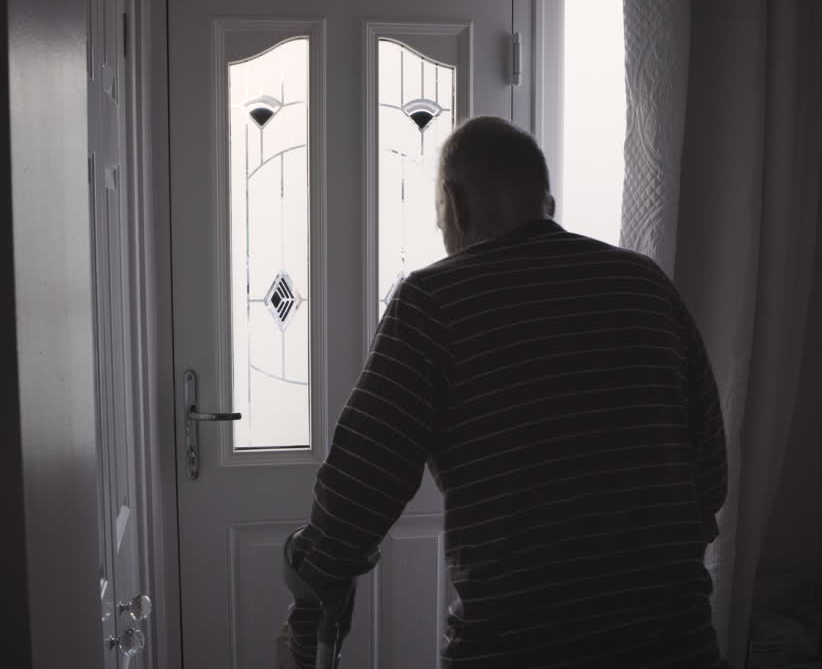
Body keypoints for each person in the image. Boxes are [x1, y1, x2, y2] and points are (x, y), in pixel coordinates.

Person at [282, 116, 727, 668]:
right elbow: (709, 476)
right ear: (550, 204)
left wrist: (307, 633)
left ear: (454, 204)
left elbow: (357, 494)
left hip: (518, 649)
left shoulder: (434, 302)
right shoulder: (646, 285)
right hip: (676, 644)